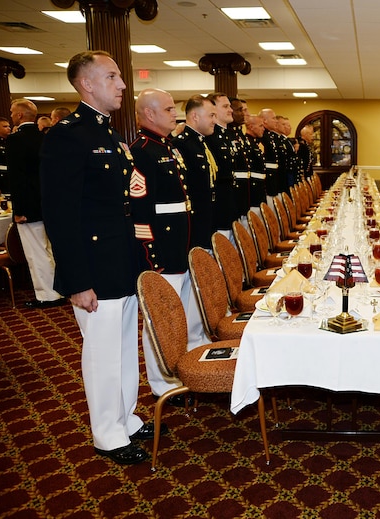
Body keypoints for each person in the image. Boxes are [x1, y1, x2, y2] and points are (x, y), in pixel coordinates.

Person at [40, 50, 154, 465]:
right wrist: (76, 280)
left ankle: (124, 417)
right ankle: (107, 434)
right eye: (112, 77)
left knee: (124, 348)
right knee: (102, 353)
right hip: (91, 266)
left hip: (118, 260)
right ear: (86, 84)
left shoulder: (107, 134)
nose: (122, 85)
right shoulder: (67, 135)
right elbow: (60, 214)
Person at [129, 88, 201, 405]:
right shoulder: (142, 150)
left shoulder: (167, 146)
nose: (175, 114)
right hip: (162, 249)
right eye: (170, 109)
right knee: (160, 320)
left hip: (179, 244)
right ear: (149, 114)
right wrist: (152, 257)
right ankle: (160, 383)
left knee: (179, 317)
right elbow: (141, 212)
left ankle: (178, 371)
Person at [7, 98, 65, 309]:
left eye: (13, 112)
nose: (11, 115)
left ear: (20, 115)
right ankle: (59, 288)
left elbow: (17, 178)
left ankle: (47, 295)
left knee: (36, 251)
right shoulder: (45, 138)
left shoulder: (16, 140)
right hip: (49, 203)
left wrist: (19, 210)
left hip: (29, 206)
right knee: (51, 249)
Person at [172, 94, 218, 254]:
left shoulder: (200, 143)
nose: (214, 120)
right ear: (195, 116)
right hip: (195, 222)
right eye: (211, 115)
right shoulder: (182, 144)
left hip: (207, 219)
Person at [206, 92, 240, 240]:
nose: (230, 110)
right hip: (220, 208)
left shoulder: (228, 136)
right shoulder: (210, 138)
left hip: (231, 205)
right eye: (225, 106)